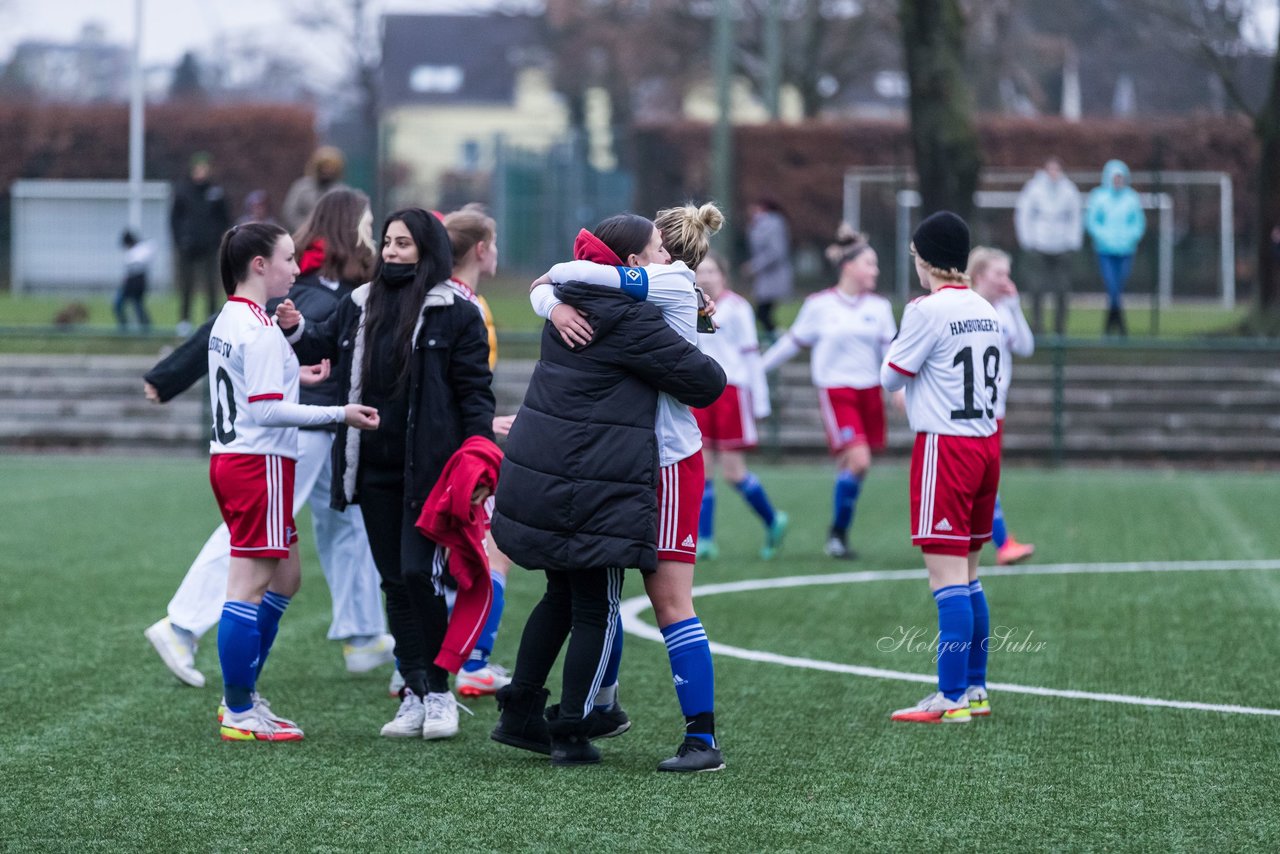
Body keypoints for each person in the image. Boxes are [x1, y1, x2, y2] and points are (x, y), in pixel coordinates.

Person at [491, 209, 727, 768]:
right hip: (633, 464)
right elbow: (705, 382)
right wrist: (551, 294)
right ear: (632, 261)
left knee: (627, 599)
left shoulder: (639, 288)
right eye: (657, 250)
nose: (668, 260)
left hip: (648, 463)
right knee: (608, 599)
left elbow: (559, 282)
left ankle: (693, 736)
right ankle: (592, 718)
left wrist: (552, 298)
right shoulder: (632, 304)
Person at [142, 189, 395, 689]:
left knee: (344, 523)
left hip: (308, 428)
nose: (375, 233)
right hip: (290, 435)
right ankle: (183, 626)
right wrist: (169, 375)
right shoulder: (293, 286)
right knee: (253, 546)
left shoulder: (334, 278)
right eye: (369, 223)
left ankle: (364, 633)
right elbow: (237, 337)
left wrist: (306, 377)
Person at [276, 207, 496, 741]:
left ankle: (441, 692)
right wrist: (294, 326)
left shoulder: (458, 313)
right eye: (388, 242)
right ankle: (415, 693)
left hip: (433, 473)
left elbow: (475, 395)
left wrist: (481, 457)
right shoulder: (359, 302)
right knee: (394, 580)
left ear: (427, 249)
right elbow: (321, 340)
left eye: (403, 243)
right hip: (371, 466)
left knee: (422, 575)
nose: (392, 251)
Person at [205, 221, 380, 741]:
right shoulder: (255, 328)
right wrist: (339, 414)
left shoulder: (240, 318)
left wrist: (293, 376)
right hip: (256, 463)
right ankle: (238, 709)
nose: (296, 268)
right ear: (259, 266)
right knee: (249, 585)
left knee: (285, 579)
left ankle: (243, 695)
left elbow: (245, 382)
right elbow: (264, 412)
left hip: (245, 462)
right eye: (287, 258)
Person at [880, 211, 1002, 725]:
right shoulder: (985, 307)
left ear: (924, 258)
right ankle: (974, 688)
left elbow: (890, 378)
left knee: (945, 578)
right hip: (986, 446)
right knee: (970, 575)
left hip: (946, 450)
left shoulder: (926, 310)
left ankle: (950, 696)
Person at [761, 227, 898, 560]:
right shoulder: (819, 305)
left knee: (851, 467)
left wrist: (900, 390)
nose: (875, 271)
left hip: (870, 393)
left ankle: (837, 538)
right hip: (837, 393)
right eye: (870, 263)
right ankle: (837, 534)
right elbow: (792, 343)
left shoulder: (879, 307)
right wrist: (756, 370)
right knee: (860, 461)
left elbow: (893, 353)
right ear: (849, 266)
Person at [442, 203, 516, 697]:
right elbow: (458, 387)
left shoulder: (434, 298)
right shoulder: (471, 307)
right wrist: (483, 426)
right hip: (460, 447)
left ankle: (417, 663)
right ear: (483, 250)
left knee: (440, 558)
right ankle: (474, 660)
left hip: (443, 441)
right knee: (494, 551)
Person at [690, 250, 787, 561]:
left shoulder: (738, 308)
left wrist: (759, 401)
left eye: (711, 271)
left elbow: (750, 356)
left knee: (733, 471)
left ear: (723, 276)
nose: (705, 277)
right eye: (700, 271)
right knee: (701, 470)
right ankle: (705, 541)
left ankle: (773, 520)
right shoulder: (688, 305)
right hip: (700, 392)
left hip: (732, 392)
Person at [968, 246, 1036, 566]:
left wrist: (1015, 305)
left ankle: (988, 540)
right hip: (970, 410)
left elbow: (1025, 346)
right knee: (981, 478)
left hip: (996, 409)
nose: (1005, 280)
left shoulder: (1004, 309)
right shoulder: (966, 309)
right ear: (979, 275)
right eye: (999, 274)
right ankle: (1001, 542)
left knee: (985, 479)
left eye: (1007, 273)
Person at [1013, 157, 1083, 335]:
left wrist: (1072, 242)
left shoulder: (1069, 190)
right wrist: (1027, 240)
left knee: (1062, 290)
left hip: (1062, 247)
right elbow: (1023, 214)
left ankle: (1060, 328)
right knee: (1036, 288)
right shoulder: (1034, 188)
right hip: (1039, 245)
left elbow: (1075, 216)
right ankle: (1037, 326)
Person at [170, 151, 232, 335]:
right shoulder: (182, 191)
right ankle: (184, 320)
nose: (201, 173)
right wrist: (180, 240)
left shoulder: (216, 192)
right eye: (198, 169)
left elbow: (224, 218)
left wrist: (218, 237)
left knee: (211, 285)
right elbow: (174, 219)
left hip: (209, 246)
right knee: (186, 285)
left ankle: (212, 318)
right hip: (187, 246)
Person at [1085, 159, 1146, 337]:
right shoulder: (1099, 197)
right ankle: (1119, 324)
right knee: (1112, 286)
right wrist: (1104, 237)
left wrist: (1129, 238)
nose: (1118, 181)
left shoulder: (1131, 198)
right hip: (1105, 250)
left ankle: (1112, 323)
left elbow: (1138, 223)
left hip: (1126, 249)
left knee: (1118, 287)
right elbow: (1092, 221)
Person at [742, 198, 794, 340]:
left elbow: (776, 251)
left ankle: (782, 339)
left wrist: (754, 266)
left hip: (773, 277)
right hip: (766, 278)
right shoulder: (760, 224)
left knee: (762, 313)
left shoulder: (772, 224)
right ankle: (777, 338)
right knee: (763, 313)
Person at [282, 146, 347, 231]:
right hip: (304, 236)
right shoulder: (301, 187)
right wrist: (305, 229)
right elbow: (289, 212)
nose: (327, 170)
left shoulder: (342, 191)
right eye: (324, 166)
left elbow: (346, 216)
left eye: (331, 167)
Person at [114, 229, 153, 332]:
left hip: (137, 283)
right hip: (130, 282)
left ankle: (145, 328)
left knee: (137, 306)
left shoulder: (141, 250)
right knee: (130, 305)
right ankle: (125, 327)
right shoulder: (133, 252)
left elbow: (138, 261)